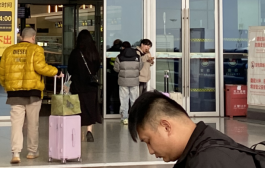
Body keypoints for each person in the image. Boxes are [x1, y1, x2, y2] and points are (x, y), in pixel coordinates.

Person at [128, 91, 256, 168]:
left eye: (148, 141)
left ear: (166, 127)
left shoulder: (206, 161)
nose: (150, 151)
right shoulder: (209, 140)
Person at [0, 27, 63, 165]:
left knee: (16, 124)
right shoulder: (36, 49)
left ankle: (16, 153)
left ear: (21, 37)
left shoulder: (9, 50)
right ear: (33, 37)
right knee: (33, 124)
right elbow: (41, 67)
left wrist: (6, 86)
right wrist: (56, 72)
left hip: (14, 93)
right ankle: (32, 151)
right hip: (33, 93)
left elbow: (1, 71)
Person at [68, 30, 103, 143]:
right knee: (90, 108)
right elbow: (97, 67)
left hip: (78, 86)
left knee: (78, 108)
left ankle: (78, 132)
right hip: (91, 86)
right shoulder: (94, 52)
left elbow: (70, 69)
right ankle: (89, 131)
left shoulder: (75, 53)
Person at [114, 41, 143, 125]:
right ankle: (134, 118)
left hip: (123, 82)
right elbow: (140, 67)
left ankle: (124, 118)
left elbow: (116, 69)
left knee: (124, 100)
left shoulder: (119, 57)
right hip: (134, 81)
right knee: (134, 100)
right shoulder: (137, 57)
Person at [106, 39, 123, 114]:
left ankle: (106, 110)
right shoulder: (121, 52)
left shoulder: (109, 51)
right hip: (118, 75)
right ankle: (117, 110)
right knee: (118, 94)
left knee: (108, 93)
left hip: (109, 75)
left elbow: (106, 63)